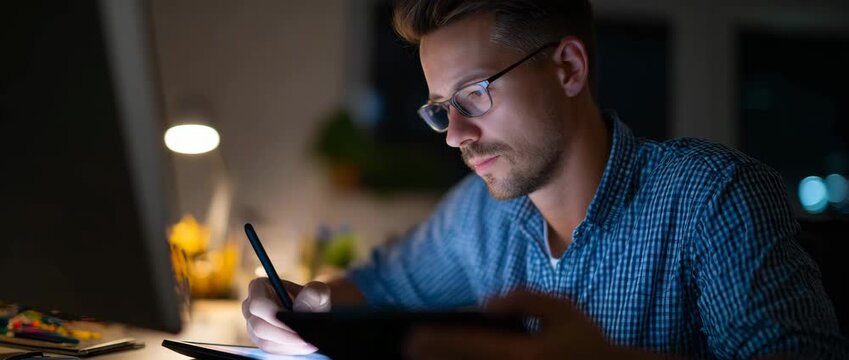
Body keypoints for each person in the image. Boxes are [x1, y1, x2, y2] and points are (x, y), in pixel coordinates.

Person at [242, 0, 849, 358]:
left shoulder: (712, 196)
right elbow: (374, 288)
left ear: (567, 68)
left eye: (474, 94)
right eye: (440, 109)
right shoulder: (478, 215)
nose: (454, 134)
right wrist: (302, 307)